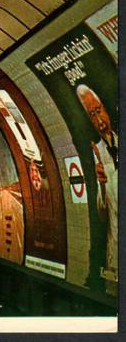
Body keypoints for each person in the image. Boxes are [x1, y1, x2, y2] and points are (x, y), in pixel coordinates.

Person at [77, 84, 118, 288]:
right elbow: (102, 216)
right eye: (92, 116)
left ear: (106, 108)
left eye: (98, 111)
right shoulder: (98, 156)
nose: (100, 121)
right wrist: (101, 185)